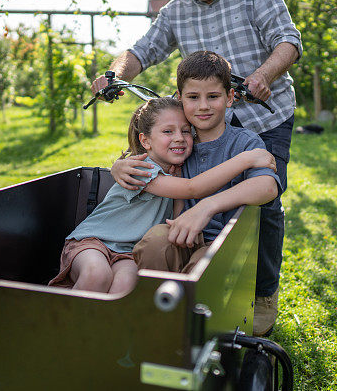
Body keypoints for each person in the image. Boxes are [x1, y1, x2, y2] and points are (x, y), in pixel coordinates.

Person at [92, 0, 301, 335]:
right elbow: (141, 51)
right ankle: (192, 267)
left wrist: (262, 75)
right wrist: (113, 74)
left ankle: (262, 292)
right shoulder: (175, 12)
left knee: (264, 206)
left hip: (265, 116)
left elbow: (288, 41)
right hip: (205, 118)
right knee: (190, 185)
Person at [48, 97, 277, 294]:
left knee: (124, 288)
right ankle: (56, 328)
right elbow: (192, 188)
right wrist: (247, 159)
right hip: (95, 241)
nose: (179, 137)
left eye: (185, 131)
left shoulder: (176, 171)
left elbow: (177, 214)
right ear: (145, 141)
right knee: (96, 276)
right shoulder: (142, 169)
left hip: (128, 253)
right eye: (168, 131)